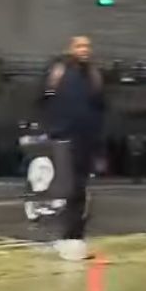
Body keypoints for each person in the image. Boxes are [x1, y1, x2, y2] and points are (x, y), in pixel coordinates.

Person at [42, 36, 107, 261]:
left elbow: (100, 107)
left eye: (87, 46)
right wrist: (53, 129)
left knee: (80, 189)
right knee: (68, 188)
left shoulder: (94, 75)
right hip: (64, 137)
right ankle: (68, 237)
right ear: (71, 49)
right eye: (79, 46)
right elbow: (43, 99)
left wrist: (98, 140)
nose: (84, 50)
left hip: (86, 139)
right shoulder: (59, 71)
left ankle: (74, 237)